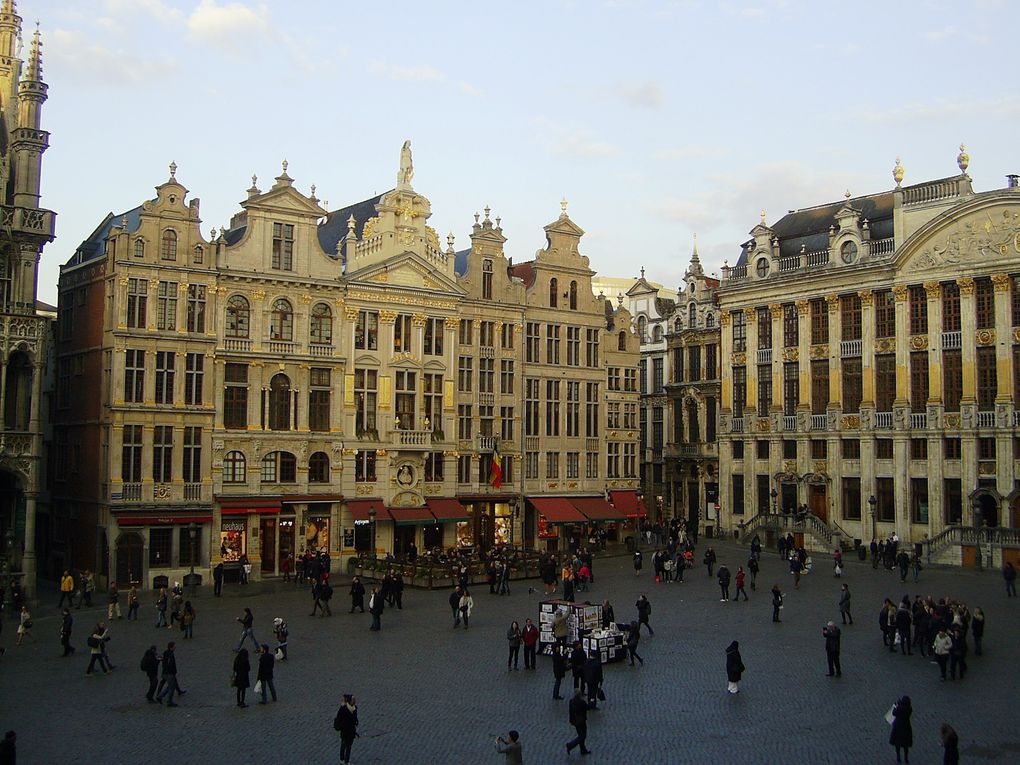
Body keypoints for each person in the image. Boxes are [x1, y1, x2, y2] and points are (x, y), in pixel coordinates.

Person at [155, 642, 183, 706]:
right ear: (171, 647)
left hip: (166, 672)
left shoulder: (166, 653)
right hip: (169, 673)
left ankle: (160, 696)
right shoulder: (170, 654)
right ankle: (169, 701)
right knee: (171, 687)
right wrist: (173, 672)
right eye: (174, 646)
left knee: (170, 686)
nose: (175, 647)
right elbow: (170, 664)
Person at [334, 694, 359, 765]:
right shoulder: (343, 709)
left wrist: (356, 722)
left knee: (348, 746)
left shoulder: (355, 708)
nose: (354, 701)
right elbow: (339, 717)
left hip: (351, 731)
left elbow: (354, 718)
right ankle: (343, 760)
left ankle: (346, 760)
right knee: (344, 745)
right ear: (349, 701)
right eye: (353, 699)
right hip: (345, 731)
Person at [565, 688, 591, 755]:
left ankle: (583, 750)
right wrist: (592, 700)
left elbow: (570, 711)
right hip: (581, 721)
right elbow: (588, 707)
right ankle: (570, 745)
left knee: (580, 735)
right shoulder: (582, 702)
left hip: (575, 721)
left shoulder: (571, 701)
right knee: (582, 736)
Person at [889, 695, 913, 764]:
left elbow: (894, 713)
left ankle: (898, 757)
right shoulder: (909, 709)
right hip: (906, 727)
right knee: (905, 745)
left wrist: (897, 705)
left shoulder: (899, 709)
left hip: (898, 728)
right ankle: (906, 758)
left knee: (897, 744)